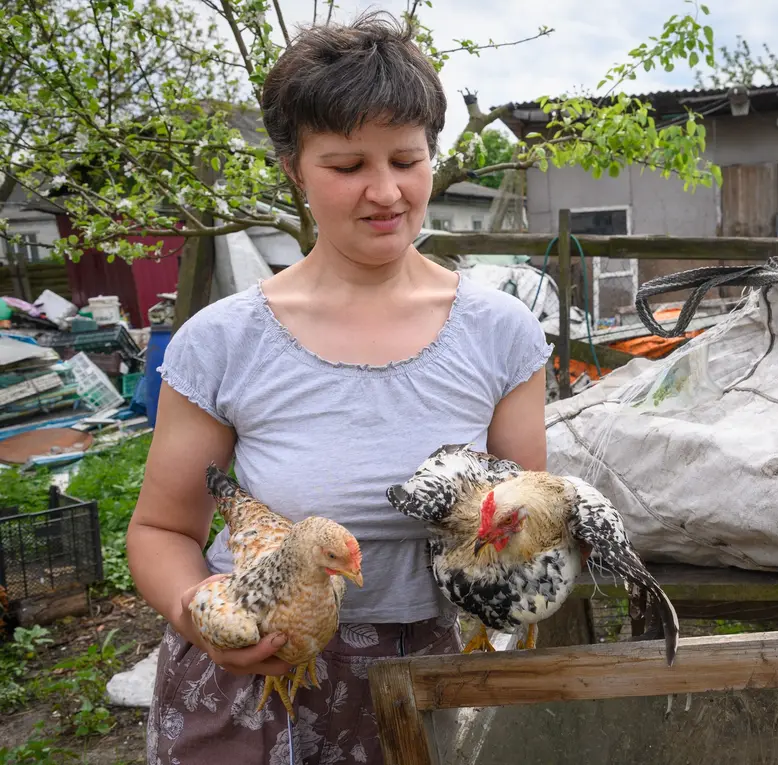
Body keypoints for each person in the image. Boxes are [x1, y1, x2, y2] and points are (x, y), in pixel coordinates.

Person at [126, 11, 552, 765]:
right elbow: (161, 532)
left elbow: (522, 527)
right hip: (260, 674)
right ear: (293, 167)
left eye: (406, 159)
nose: (385, 192)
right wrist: (204, 622)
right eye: (348, 166)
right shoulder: (223, 342)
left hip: (437, 671)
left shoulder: (502, 334)